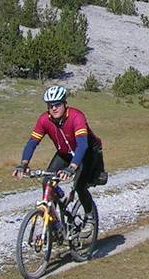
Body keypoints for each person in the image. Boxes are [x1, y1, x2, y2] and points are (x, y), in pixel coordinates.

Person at [13, 85, 105, 227]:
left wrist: (72, 168)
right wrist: (24, 163)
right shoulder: (44, 120)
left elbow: (82, 145)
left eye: (57, 104)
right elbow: (32, 142)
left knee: (80, 186)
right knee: (47, 182)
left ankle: (89, 216)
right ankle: (55, 223)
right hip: (65, 153)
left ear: (65, 104)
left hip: (87, 154)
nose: (54, 108)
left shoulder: (76, 116)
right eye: (50, 105)